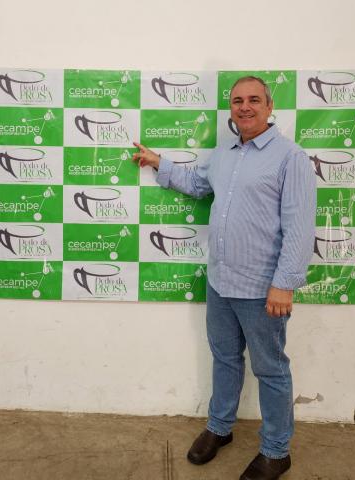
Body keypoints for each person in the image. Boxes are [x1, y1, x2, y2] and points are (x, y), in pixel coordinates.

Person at [133, 76, 316, 480]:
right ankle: (220, 427)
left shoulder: (291, 157)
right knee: (225, 359)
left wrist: (284, 284)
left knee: (271, 370)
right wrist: (160, 162)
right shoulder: (224, 153)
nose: (244, 107)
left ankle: (276, 451)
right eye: (237, 101)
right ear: (231, 108)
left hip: (262, 289)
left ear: (269, 106)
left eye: (254, 100)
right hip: (219, 282)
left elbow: (301, 228)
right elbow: (199, 185)